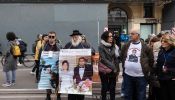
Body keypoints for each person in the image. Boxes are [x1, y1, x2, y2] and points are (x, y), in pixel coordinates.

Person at [120, 28, 154, 100]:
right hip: (128, 75)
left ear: (138, 35)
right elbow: (122, 56)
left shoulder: (145, 46)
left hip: (141, 76)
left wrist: (147, 69)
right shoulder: (126, 45)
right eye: (130, 34)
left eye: (132, 34)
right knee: (128, 95)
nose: (130, 35)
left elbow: (151, 60)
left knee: (140, 96)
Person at [64, 30, 94, 100]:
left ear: (79, 37)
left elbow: (93, 51)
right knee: (71, 92)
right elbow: (63, 53)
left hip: (83, 72)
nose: (75, 38)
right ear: (72, 37)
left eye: (76, 36)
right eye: (73, 37)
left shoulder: (85, 45)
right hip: (71, 72)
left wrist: (88, 52)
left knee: (81, 93)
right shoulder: (68, 45)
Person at [38, 32, 61, 100]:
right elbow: (40, 57)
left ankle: (58, 96)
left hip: (57, 68)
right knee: (47, 81)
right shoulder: (44, 46)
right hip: (47, 68)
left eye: (53, 37)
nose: (51, 38)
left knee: (57, 82)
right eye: (50, 36)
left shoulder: (59, 46)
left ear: (55, 37)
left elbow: (62, 56)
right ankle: (48, 95)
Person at [98, 31, 120, 100]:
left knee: (112, 87)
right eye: (109, 36)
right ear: (105, 37)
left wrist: (117, 69)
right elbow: (103, 59)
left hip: (113, 71)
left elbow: (117, 58)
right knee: (105, 87)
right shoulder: (101, 46)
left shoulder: (115, 46)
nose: (111, 38)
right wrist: (113, 67)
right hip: (104, 70)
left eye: (112, 36)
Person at [155, 34, 175, 100]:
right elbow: (159, 63)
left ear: (170, 42)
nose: (162, 42)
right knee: (163, 96)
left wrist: (169, 70)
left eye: (165, 41)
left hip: (171, 79)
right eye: (162, 41)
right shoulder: (161, 51)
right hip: (161, 78)